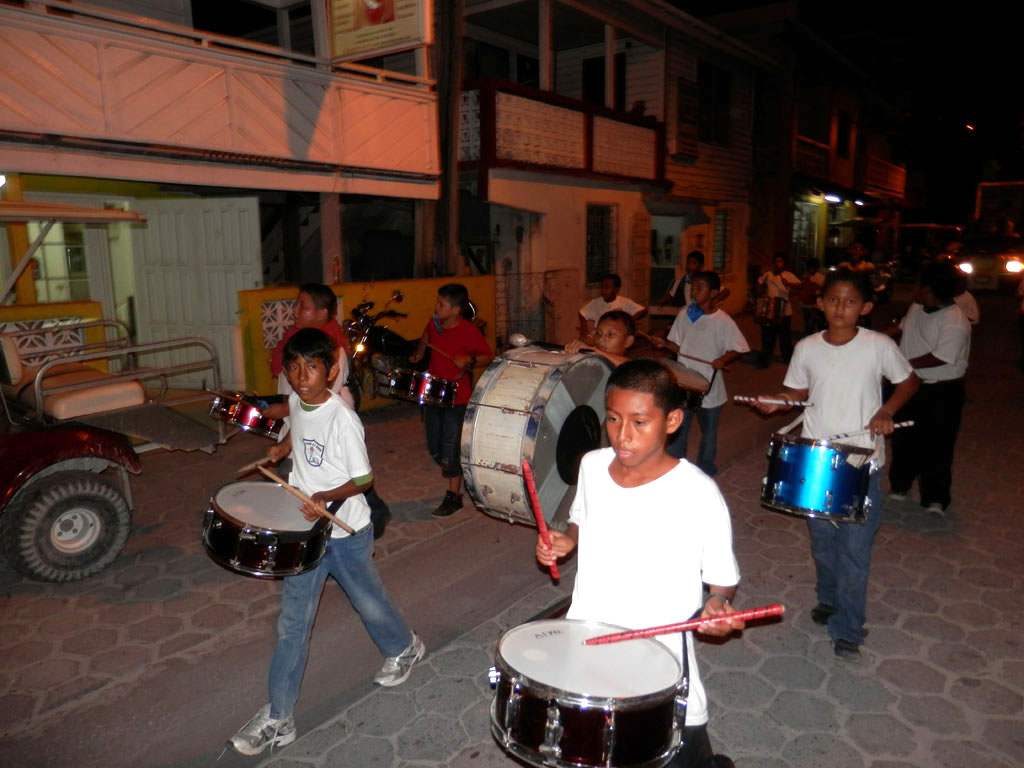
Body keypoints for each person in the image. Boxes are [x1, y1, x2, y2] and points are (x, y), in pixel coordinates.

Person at [537, 359, 744, 767]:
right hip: (588, 637)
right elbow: (581, 516)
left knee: (678, 751)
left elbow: (722, 582)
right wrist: (565, 541)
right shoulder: (592, 465)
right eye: (613, 419)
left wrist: (717, 604)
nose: (622, 435)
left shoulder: (698, 492)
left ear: (672, 421)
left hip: (660, 651)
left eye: (639, 422)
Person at [229, 328, 424, 756]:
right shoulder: (300, 401)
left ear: (331, 371)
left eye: (312, 368)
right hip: (307, 533)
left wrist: (324, 497)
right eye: (294, 368)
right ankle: (279, 718)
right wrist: (283, 449)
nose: (302, 377)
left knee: (367, 600)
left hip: (347, 529)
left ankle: (405, 646)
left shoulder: (343, 420)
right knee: (293, 622)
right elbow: (298, 426)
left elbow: (364, 479)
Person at [754, 268, 918, 659]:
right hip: (816, 459)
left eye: (849, 301)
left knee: (854, 551)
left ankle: (848, 628)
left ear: (865, 307)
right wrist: (778, 401)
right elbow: (797, 391)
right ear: (819, 302)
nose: (840, 308)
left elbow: (909, 381)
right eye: (832, 299)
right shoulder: (807, 347)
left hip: (862, 462)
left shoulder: (878, 345)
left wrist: (886, 411)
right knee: (823, 545)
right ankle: (828, 598)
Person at [265, 283, 390, 537]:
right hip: (306, 426)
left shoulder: (333, 354)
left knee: (344, 471)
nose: (295, 311)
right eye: (294, 368)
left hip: (326, 425)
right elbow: (299, 410)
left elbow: (326, 395)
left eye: (304, 306)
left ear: (322, 313)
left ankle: (371, 515)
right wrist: (285, 444)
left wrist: (325, 496)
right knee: (312, 474)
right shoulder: (298, 346)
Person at [887, 261, 971, 516]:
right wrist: (872, 339)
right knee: (903, 438)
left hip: (942, 392)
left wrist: (901, 362)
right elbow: (901, 328)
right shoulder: (917, 307)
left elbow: (941, 356)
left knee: (938, 444)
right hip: (910, 386)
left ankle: (935, 498)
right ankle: (900, 486)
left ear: (929, 290)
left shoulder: (955, 321)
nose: (912, 289)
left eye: (917, 284)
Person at [650, 271, 749, 476]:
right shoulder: (685, 313)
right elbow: (678, 346)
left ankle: (705, 470)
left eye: (700, 287)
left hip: (710, 386)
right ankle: (675, 470)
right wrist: (664, 343)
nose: (694, 291)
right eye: (693, 286)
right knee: (678, 428)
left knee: (709, 432)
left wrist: (723, 359)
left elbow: (740, 347)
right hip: (684, 382)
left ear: (714, 292)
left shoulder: (723, 321)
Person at [409, 283, 493, 517]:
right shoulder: (435, 324)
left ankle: (454, 495)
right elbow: (426, 338)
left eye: (441, 305)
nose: (437, 308)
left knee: (450, 447)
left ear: (456, 310)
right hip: (434, 394)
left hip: (458, 396)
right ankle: (458, 471)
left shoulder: (469, 331)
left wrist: (468, 359)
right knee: (435, 448)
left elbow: (488, 356)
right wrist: (419, 352)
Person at [755, 252, 801, 367]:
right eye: (776, 261)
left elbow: (800, 286)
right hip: (770, 310)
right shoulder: (768, 274)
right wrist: (760, 292)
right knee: (767, 336)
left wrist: (788, 283)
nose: (778, 263)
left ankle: (787, 357)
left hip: (785, 311)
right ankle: (765, 359)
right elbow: (759, 282)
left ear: (784, 263)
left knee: (784, 336)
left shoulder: (788, 275)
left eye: (780, 261)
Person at [578, 273, 646, 340]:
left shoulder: (624, 302)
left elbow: (643, 311)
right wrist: (584, 326)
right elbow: (582, 313)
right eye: (602, 287)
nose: (603, 290)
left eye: (607, 287)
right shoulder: (596, 303)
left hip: (616, 338)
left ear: (616, 290)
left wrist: (628, 321)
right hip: (600, 336)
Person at [565, 309, 635, 366]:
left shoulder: (631, 370)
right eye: (598, 333)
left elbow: (627, 366)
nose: (601, 340)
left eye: (610, 334)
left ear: (628, 341)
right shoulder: (594, 360)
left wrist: (593, 350)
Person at [799, 257, 826, 335]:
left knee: (814, 323)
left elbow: (822, 290)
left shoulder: (820, 277)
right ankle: (807, 336)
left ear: (816, 268)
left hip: (814, 305)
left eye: (813, 267)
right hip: (805, 304)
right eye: (809, 267)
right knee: (807, 323)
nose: (811, 269)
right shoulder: (805, 275)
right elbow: (802, 288)